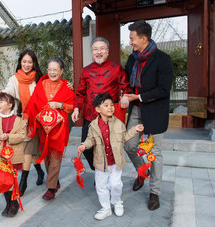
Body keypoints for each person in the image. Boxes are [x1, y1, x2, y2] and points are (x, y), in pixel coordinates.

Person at [123, 20, 173, 211]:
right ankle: (142, 172)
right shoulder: (132, 59)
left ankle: (155, 192)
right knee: (129, 145)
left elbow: (163, 89)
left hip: (155, 111)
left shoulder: (163, 59)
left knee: (155, 153)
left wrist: (139, 96)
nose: (130, 42)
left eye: (132, 38)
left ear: (143, 38)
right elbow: (126, 81)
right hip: (136, 109)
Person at [78, 93, 144, 220]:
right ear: (98, 109)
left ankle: (117, 201)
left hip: (115, 162)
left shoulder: (118, 123)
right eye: (106, 105)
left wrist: (135, 129)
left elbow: (124, 137)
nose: (110, 108)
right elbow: (90, 140)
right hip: (100, 162)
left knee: (115, 184)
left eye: (112, 105)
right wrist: (84, 146)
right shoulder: (93, 125)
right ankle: (106, 208)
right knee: (101, 186)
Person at [71, 37, 132, 171]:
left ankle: (103, 173)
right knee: (86, 148)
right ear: (92, 52)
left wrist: (125, 97)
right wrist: (76, 108)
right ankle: (100, 169)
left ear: (108, 51)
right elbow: (80, 93)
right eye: (95, 49)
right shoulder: (85, 70)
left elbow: (126, 88)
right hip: (89, 116)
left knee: (107, 147)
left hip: (108, 117)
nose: (99, 52)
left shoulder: (116, 68)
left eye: (102, 48)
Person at [24, 57, 75, 200]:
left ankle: (51, 189)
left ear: (62, 71)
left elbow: (71, 106)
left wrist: (60, 105)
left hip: (59, 128)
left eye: (55, 69)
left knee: (56, 156)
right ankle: (55, 181)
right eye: (50, 69)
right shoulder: (41, 83)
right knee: (46, 155)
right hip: (42, 126)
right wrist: (27, 116)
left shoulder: (67, 87)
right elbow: (33, 101)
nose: (52, 72)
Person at [3, 49, 45, 196]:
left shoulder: (39, 78)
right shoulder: (14, 79)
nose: (27, 64)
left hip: (38, 120)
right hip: (22, 121)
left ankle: (39, 173)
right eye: (24, 61)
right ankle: (24, 181)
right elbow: (9, 92)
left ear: (34, 63)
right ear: (20, 62)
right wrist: (3, 95)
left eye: (30, 62)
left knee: (34, 151)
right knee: (28, 150)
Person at [0, 92, 27, 217]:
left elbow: (22, 135)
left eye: (1, 102)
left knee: (11, 181)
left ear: (10, 105)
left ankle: (14, 203)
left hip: (13, 156)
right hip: (0, 156)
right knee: (3, 182)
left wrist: (8, 136)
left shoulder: (18, 120)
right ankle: (8, 203)